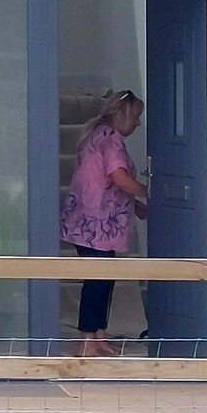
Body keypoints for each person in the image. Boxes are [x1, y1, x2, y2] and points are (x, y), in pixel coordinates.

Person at [59, 90, 148, 358]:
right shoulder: (109, 139)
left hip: (93, 224)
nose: (138, 123)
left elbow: (103, 183)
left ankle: (99, 337)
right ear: (122, 115)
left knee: (103, 280)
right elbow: (118, 178)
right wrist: (148, 191)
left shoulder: (100, 135)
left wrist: (136, 206)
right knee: (97, 282)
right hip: (94, 226)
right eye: (136, 117)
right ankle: (87, 340)